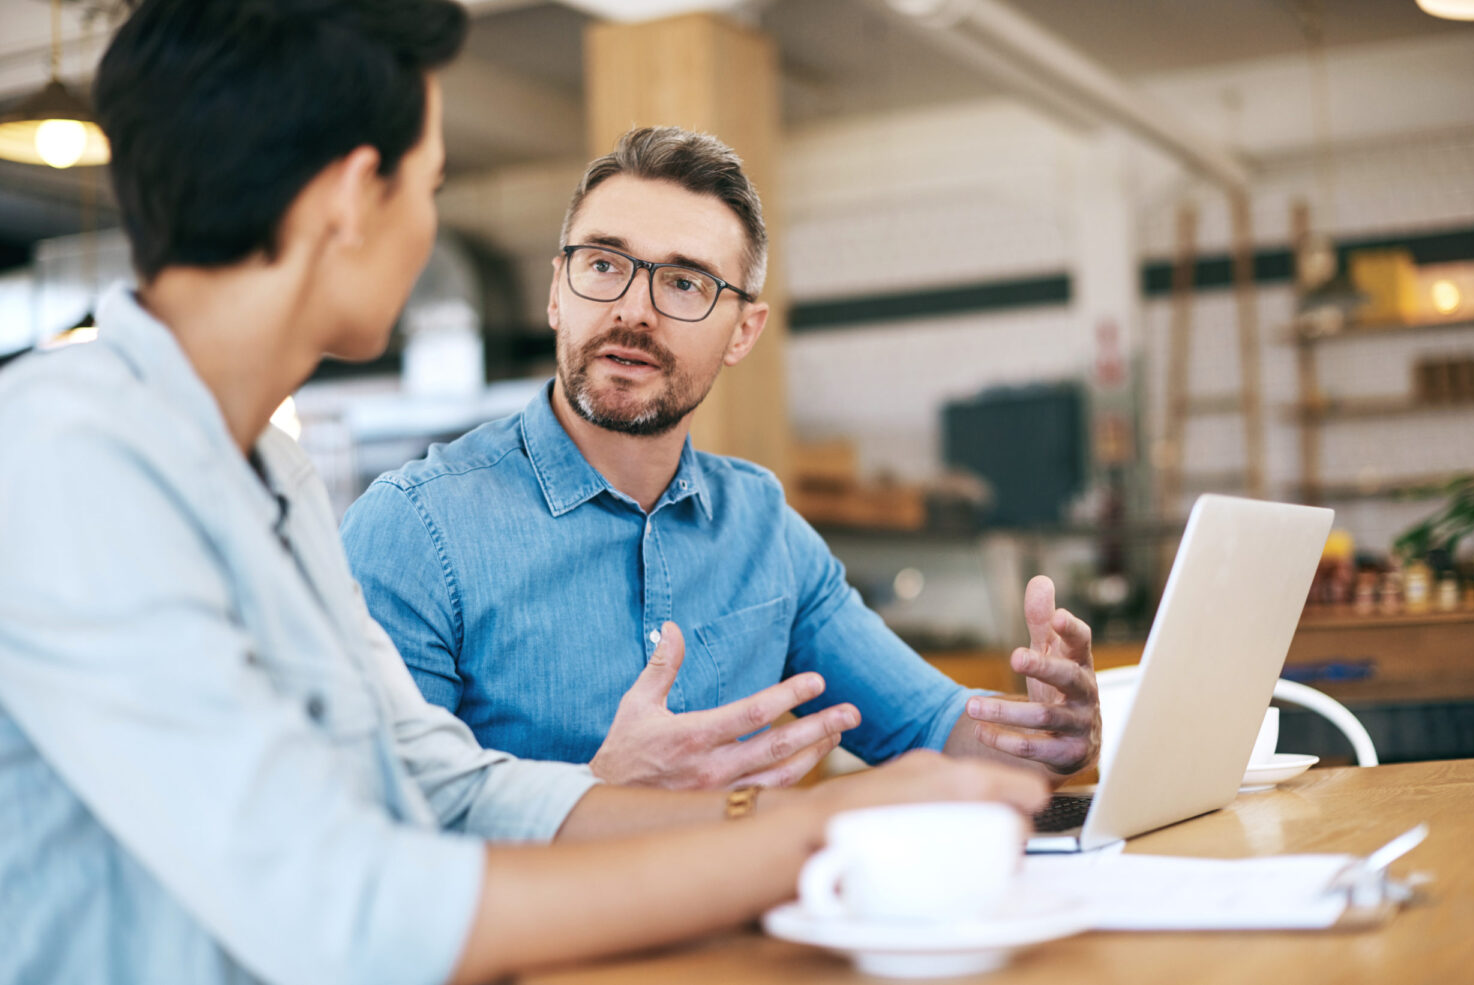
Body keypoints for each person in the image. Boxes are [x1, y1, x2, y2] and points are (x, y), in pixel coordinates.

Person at [0, 3, 1051, 984]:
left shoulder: (266, 468)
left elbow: (445, 786)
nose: (428, 230)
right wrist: (817, 833)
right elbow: (343, 903)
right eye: (432, 183)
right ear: (351, 199)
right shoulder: (62, 454)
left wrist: (784, 810)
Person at [341, 125, 1102, 792]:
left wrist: (1045, 738)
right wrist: (599, 789)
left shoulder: (763, 528)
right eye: (604, 264)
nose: (633, 309)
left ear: (743, 332)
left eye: (684, 282)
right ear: (555, 293)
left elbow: (935, 728)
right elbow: (367, 837)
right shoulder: (414, 529)